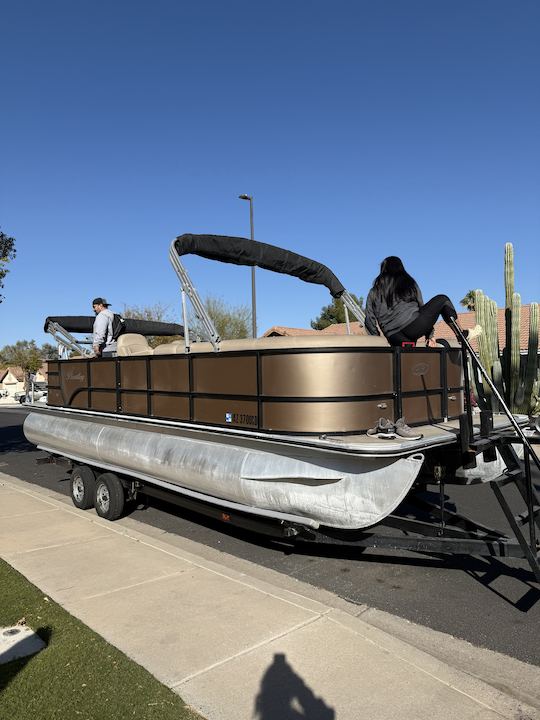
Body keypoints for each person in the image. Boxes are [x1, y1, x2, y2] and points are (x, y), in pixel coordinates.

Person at [364, 256, 481, 347]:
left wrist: (377, 341)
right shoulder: (408, 283)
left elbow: (369, 320)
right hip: (414, 328)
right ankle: (461, 334)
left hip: (393, 337)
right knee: (443, 299)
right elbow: (422, 309)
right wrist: (429, 335)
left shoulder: (373, 292)